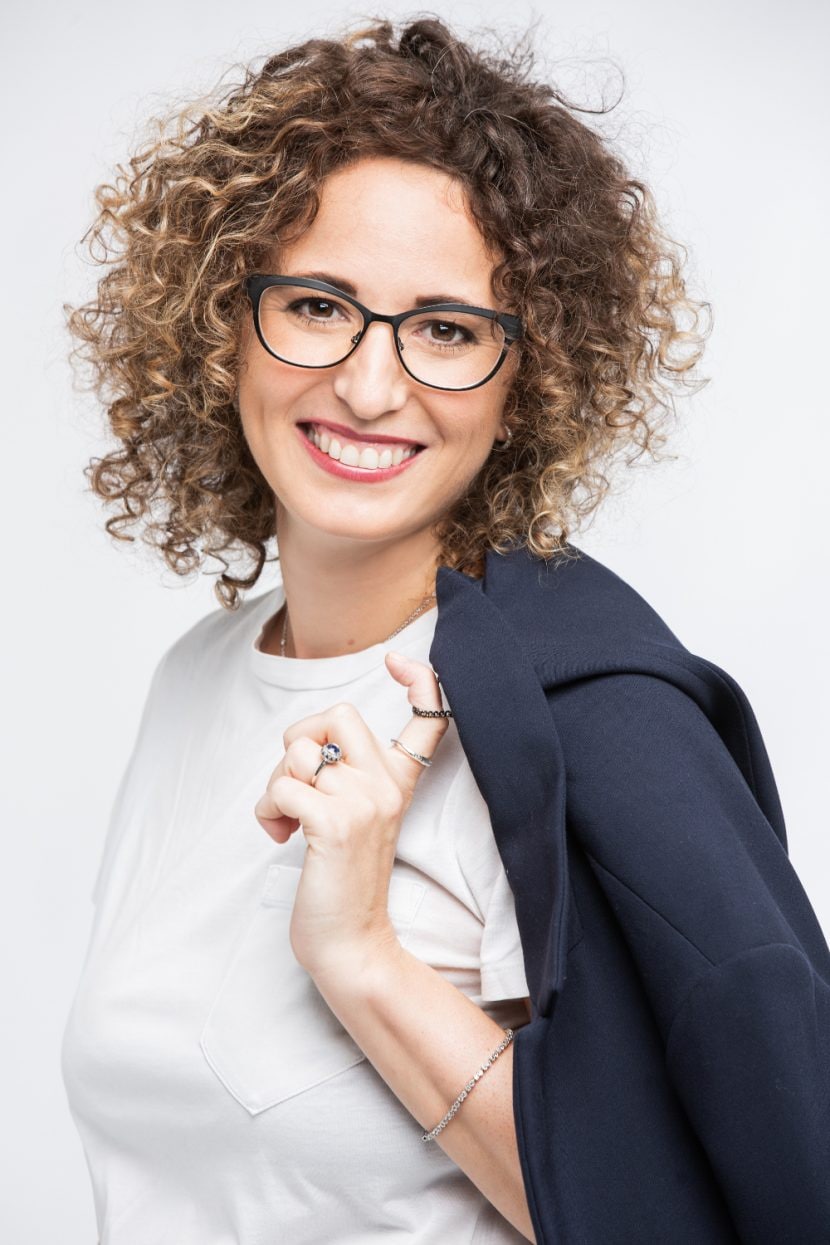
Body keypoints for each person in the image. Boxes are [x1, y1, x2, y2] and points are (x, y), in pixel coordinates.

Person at [60, 16, 830, 1245]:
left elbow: (674, 1211)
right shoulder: (196, 679)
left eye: (448, 330)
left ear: (528, 381)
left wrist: (361, 955)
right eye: (317, 306)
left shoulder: (585, 726)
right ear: (221, 325)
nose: (370, 387)